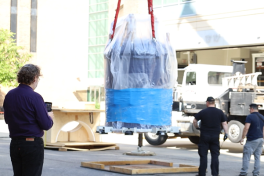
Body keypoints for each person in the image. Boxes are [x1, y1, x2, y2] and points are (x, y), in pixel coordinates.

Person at [3, 64, 54, 176]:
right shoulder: (35, 97)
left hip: (15, 144)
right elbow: (46, 125)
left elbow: (7, 119)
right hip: (32, 144)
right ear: (35, 78)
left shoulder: (10, 95)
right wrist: (50, 117)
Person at [193, 96, 228, 176]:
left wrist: (197, 127)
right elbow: (224, 123)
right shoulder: (220, 112)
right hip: (215, 137)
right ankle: (215, 174)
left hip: (204, 137)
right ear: (214, 103)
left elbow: (195, 120)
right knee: (215, 155)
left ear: (207, 103)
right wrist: (226, 133)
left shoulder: (203, 112)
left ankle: (202, 173)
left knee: (203, 155)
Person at [238, 103, 264, 176]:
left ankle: (243, 172)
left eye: (249, 109)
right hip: (260, 139)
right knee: (257, 157)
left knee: (246, 156)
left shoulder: (250, 116)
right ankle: (256, 173)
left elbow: (246, 128)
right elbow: (263, 129)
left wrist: (242, 138)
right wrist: (263, 139)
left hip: (252, 139)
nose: (249, 110)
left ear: (252, 108)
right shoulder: (262, 117)